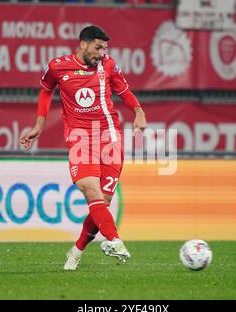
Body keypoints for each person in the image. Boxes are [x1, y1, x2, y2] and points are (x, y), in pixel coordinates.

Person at [20, 25, 147, 271]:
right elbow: (46, 90)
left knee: (104, 200)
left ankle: (76, 250)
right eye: (98, 47)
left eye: (105, 48)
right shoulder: (58, 66)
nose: (102, 53)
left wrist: (139, 112)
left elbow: (124, 90)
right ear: (83, 44)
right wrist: (38, 125)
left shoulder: (108, 65)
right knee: (91, 189)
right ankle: (115, 241)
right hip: (80, 138)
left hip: (110, 137)